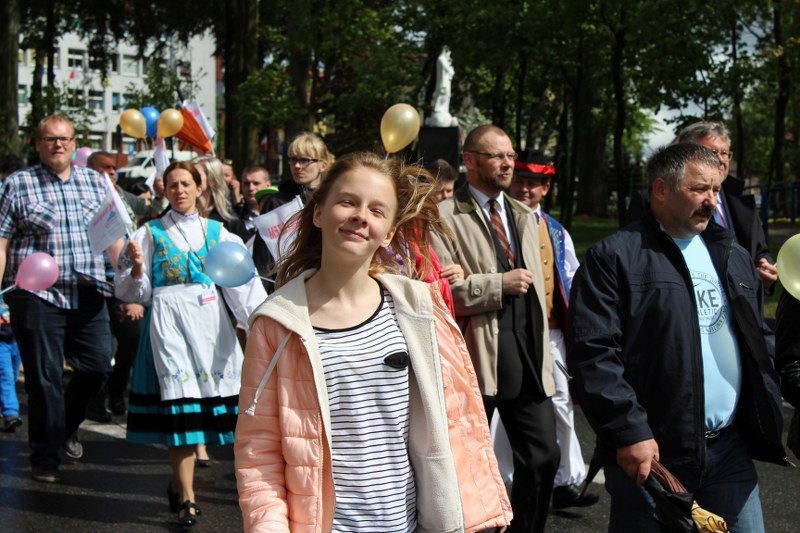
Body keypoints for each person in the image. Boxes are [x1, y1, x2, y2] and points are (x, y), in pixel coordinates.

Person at [235, 152, 511, 532]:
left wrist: (479, 511)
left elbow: (456, 422)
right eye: (348, 201)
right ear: (319, 213)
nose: (361, 216)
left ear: (390, 232)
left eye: (377, 210)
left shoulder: (418, 309)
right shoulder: (275, 324)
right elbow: (259, 452)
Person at [568, 143, 788, 532]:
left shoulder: (730, 252)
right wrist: (630, 430)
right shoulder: (614, 258)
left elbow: (758, 335)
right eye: (699, 189)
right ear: (661, 190)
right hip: (652, 454)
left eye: (716, 189)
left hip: (728, 449)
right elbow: (594, 354)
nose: (711, 201)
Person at [116, 161, 267, 527]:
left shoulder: (219, 233)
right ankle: (187, 497)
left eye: (186, 183)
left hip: (211, 328)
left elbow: (242, 287)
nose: (180, 190)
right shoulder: (149, 233)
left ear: (200, 188)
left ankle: (178, 484)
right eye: (173, 185)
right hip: (168, 327)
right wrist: (136, 269)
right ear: (165, 191)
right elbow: (133, 292)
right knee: (180, 409)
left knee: (220, 416)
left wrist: (259, 327)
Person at [431, 125, 559, 533]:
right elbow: (439, 293)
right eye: (496, 156)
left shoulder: (524, 216)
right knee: (464, 467)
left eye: (510, 155)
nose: (507, 164)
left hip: (527, 355)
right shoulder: (443, 217)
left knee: (543, 458)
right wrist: (496, 285)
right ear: (469, 160)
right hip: (474, 358)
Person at [0, 114, 123, 483]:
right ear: (37, 144)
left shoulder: (95, 182)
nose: (58, 144)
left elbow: (112, 239)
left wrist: (131, 276)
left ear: (74, 143)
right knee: (44, 377)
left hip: (89, 290)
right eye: (50, 139)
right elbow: (2, 243)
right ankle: (45, 457)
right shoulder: (18, 184)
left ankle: (64, 427)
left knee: (99, 365)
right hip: (36, 295)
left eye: (64, 139)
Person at [508, 150, 598, 510]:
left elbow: (572, 279)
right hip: (509, 334)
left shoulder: (557, 232)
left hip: (552, 335)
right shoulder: (499, 225)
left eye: (534, 183)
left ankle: (564, 481)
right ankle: (504, 482)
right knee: (504, 411)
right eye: (520, 181)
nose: (525, 189)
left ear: (546, 189)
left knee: (560, 402)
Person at [627, 121, 776, 290]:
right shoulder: (651, 200)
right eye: (711, 152)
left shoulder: (742, 199)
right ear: (685, 153)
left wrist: (765, 270)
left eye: (724, 153)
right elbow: (634, 257)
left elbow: (759, 252)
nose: (720, 159)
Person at [85, 151, 161, 420]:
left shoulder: (122, 196)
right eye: (104, 168)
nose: (110, 173)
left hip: (123, 280)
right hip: (93, 282)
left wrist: (160, 193)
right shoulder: (84, 198)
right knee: (101, 349)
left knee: (131, 339)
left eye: (113, 168)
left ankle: (117, 392)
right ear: (90, 170)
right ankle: (95, 401)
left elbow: (151, 211)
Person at [252, 132, 334, 280]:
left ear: (323, 165)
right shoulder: (277, 202)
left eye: (305, 160)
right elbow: (263, 257)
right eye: (293, 160)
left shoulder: (331, 200)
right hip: (283, 282)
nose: (297, 166)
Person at [193, 156, 249, 241]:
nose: (188, 179)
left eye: (196, 175)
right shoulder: (179, 215)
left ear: (212, 179)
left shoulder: (230, 221)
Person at [0, 295, 22, 432]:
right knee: (6, 376)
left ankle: (4, 404)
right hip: (1, 343)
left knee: (14, 374)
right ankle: (11, 414)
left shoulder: (9, 293)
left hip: (15, 340)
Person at [238, 165, 272, 233]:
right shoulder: (233, 216)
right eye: (246, 183)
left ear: (268, 185)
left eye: (256, 183)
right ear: (241, 186)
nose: (251, 188)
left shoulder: (278, 213)